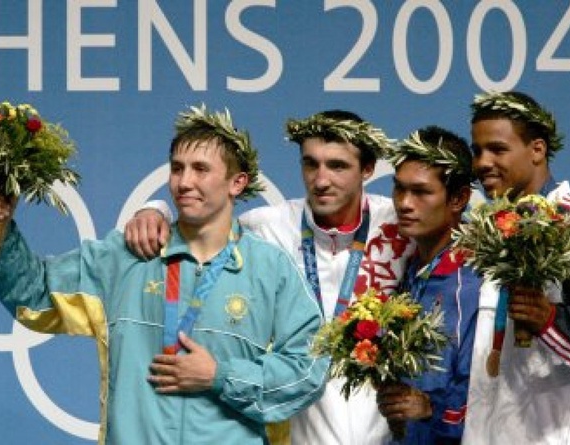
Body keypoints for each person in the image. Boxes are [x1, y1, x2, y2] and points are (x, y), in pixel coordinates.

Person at [0, 105, 328, 445]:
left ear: (237, 183)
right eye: (177, 168)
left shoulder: (271, 270)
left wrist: (219, 375)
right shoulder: (126, 256)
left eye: (201, 169)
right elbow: (34, 294)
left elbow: (309, 370)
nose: (184, 182)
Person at [125, 110, 415, 444]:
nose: (320, 180)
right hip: (299, 423)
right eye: (310, 164)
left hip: (383, 426)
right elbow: (202, 226)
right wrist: (154, 210)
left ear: (367, 169)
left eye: (337, 166)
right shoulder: (266, 225)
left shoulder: (399, 224)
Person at [462, 91, 570, 444]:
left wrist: (551, 319)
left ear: (537, 150)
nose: (482, 163)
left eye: (497, 149)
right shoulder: (493, 230)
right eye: (477, 151)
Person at [375, 126, 481, 444]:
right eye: (399, 189)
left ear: (459, 198)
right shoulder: (407, 268)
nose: (404, 203)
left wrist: (431, 408)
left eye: (421, 192)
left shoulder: (475, 283)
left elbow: (493, 395)